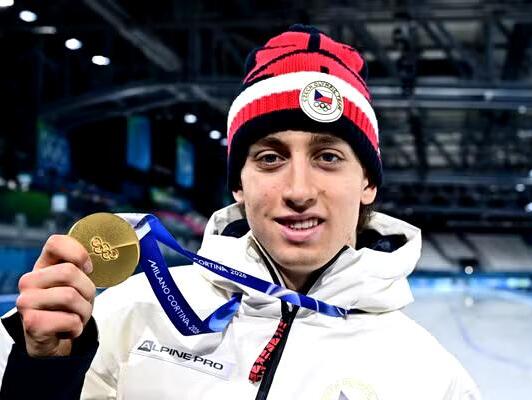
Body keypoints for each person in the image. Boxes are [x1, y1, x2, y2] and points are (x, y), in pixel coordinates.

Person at [0, 25, 480, 399]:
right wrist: (42, 372)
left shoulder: (432, 379)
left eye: (328, 157)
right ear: (238, 185)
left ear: (368, 183)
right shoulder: (128, 313)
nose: (298, 190)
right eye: (270, 158)